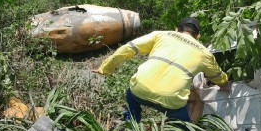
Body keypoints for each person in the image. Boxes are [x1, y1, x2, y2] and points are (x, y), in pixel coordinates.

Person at [93, 17, 232, 123]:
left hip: (140, 90)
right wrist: (226, 85)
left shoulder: (161, 35)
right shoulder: (204, 54)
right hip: (171, 101)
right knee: (185, 124)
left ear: (176, 29)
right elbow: (220, 78)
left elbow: (128, 48)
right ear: (197, 36)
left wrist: (105, 69)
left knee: (131, 96)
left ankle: (131, 127)